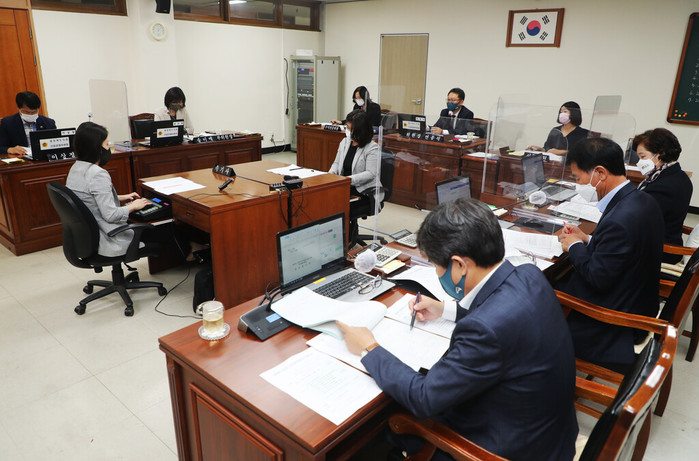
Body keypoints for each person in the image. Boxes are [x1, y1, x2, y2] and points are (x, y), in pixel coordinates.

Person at [338, 198, 578, 461]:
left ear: (460, 265)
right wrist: (444, 309)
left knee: (377, 426)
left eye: (436, 265)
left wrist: (369, 348)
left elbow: (424, 397)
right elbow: (500, 313)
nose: (436, 271)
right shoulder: (528, 273)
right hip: (551, 433)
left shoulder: (483, 330)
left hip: (505, 448)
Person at [557, 137, 664, 369]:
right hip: (636, 299)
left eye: (578, 178)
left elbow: (597, 277)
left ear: (600, 173)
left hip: (613, 323)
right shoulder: (642, 199)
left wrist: (574, 246)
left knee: (536, 291)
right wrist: (587, 239)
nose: (578, 184)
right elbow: (626, 248)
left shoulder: (620, 218)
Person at [66, 122, 151, 257]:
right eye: (106, 144)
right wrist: (133, 206)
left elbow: (88, 197)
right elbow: (111, 215)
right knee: (158, 230)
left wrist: (121, 197)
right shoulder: (97, 174)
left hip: (86, 239)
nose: (109, 148)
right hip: (107, 238)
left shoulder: (76, 167)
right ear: (96, 148)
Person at [633, 128, 693, 264]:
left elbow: (638, 220)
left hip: (658, 250)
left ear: (661, 154)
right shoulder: (677, 175)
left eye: (643, 157)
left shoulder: (665, 186)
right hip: (661, 239)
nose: (639, 162)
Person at [328, 109, 383, 213]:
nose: (347, 131)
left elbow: (371, 173)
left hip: (364, 191)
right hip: (344, 186)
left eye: (349, 128)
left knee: (336, 206)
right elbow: (336, 163)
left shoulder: (372, 148)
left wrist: (347, 180)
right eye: (346, 127)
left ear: (359, 130)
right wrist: (330, 175)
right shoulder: (345, 142)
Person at [0, 91, 56, 156]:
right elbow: (1, 147)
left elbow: (55, 145)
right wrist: (10, 149)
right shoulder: (7, 123)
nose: (31, 115)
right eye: (27, 112)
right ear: (18, 108)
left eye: (34, 112)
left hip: (42, 158)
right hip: (21, 159)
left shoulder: (49, 123)